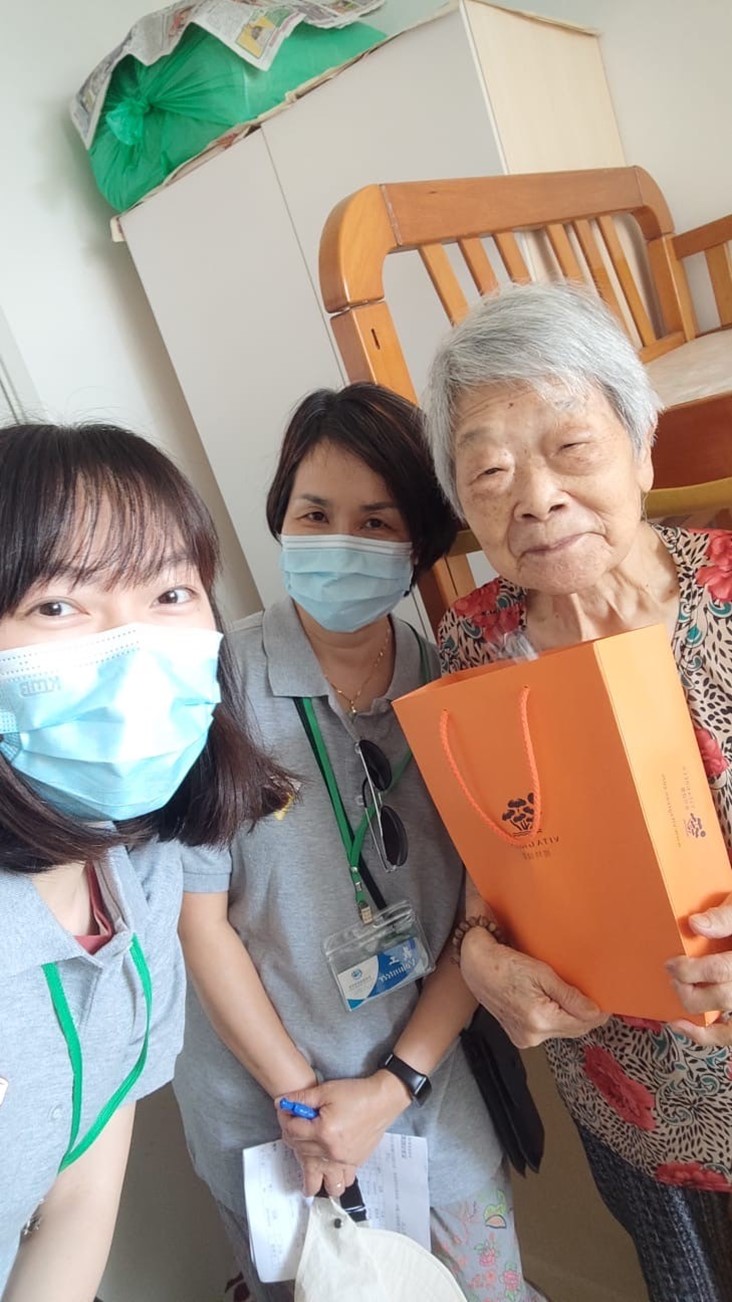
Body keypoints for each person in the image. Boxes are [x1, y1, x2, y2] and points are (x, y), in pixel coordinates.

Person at [173, 383, 541, 1302]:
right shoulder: (217, 688)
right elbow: (197, 922)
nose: (341, 541)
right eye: (315, 514)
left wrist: (394, 1086)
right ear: (281, 518)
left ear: (419, 540)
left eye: (375, 522)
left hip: (422, 1084)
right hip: (269, 1111)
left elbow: (482, 911)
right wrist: (302, 1101)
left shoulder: (450, 680)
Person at [423, 280, 732, 1302]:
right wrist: (481, 960)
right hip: (621, 1104)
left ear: (640, 448)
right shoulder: (472, 642)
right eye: (490, 471)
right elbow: (491, 872)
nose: (537, 498)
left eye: (571, 447)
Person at [0, 422, 287, 1301]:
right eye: (58, 605)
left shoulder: (144, 870)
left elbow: (77, 1189)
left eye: (170, 593)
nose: (138, 648)